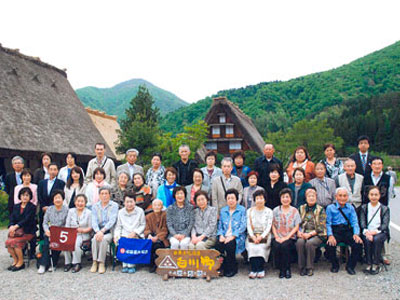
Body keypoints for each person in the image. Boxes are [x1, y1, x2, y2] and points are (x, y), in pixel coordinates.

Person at [362, 157, 393, 265]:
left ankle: (383, 255)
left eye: (379, 164)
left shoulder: (387, 177)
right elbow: (363, 192)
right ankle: (368, 255)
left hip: (382, 206)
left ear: (382, 165)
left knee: (382, 229)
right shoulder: (366, 177)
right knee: (368, 229)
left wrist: (384, 208)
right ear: (371, 166)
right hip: (368, 206)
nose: (377, 166)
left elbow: (390, 193)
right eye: (374, 164)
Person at [325, 187, 363, 275]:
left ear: (347, 197)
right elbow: (328, 223)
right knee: (330, 245)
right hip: (335, 230)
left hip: (346, 230)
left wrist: (356, 234)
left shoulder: (350, 208)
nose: (342, 198)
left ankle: (350, 266)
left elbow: (354, 222)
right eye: (340, 195)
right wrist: (330, 235)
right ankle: (335, 265)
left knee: (358, 244)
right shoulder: (330, 208)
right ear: (336, 197)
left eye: (344, 196)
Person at [215, 189, 247, 277]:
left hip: (237, 236)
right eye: (228, 198)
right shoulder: (223, 210)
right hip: (225, 235)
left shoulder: (242, 210)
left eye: (233, 198)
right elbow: (220, 225)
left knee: (230, 245)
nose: (231, 200)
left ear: (237, 199)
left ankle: (232, 267)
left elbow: (243, 226)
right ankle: (221, 266)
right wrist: (221, 235)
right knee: (218, 244)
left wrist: (233, 236)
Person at [296, 187, 327, 276]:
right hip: (303, 232)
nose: (311, 198)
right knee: (300, 242)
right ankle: (301, 267)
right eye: (309, 196)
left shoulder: (320, 209)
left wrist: (310, 234)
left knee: (310, 243)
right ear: (306, 198)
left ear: (316, 197)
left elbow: (321, 226)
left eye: (313, 196)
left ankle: (309, 267)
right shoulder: (301, 208)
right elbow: (297, 223)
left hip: (317, 233)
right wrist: (299, 232)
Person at [360, 186, 390, 275]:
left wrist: (374, 232)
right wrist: (367, 232)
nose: (374, 197)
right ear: (368, 196)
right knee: (367, 239)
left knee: (376, 239)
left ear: (380, 196)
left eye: (376, 195)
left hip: (380, 232)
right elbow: (362, 222)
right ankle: (369, 263)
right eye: (371, 194)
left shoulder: (384, 208)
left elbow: (385, 224)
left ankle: (376, 263)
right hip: (367, 231)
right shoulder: (364, 207)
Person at [272, 188, 301, 279]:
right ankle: (281, 269)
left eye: (287, 197)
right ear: (280, 199)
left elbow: (297, 226)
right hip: (278, 236)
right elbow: (272, 225)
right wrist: (276, 236)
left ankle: (287, 269)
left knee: (285, 246)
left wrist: (287, 237)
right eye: (283, 197)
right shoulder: (276, 210)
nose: (285, 199)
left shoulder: (294, 211)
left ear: (290, 199)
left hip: (290, 236)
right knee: (277, 245)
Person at [37, 190, 69, 274]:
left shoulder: (66, 210)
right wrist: (47, 231)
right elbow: (45, 222)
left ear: (63, 199)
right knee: (46, 244)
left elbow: (67, 224)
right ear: (53, 200)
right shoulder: (49, 209)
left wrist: (60, 232)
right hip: (50, 232)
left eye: (59, 198)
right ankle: (43, 265)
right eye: (56, 198)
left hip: (61, 233)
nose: (57, 200)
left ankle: (53, 264)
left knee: (55, 244)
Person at [114, 191, 146, 273]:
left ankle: (131, 264)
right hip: (124, 234)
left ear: (135, 202)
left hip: (136, 234)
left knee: (132, 241)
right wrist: (116, 236)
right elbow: (118, 226)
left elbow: (142, 225)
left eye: (131, 202)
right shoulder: (120, 212)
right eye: (127, 202)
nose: (129, 204)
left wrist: (135, 232)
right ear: (124, 202)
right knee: (123, 241)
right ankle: (125, 264)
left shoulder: (140, 211)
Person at [6, 187, 36, 272]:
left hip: (28, 231)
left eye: (27, 195)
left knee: (15, 242)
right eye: (23, 195)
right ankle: (16, 260)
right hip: (17, 231)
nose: (25, 197)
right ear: (20, 196)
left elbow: (27, 220)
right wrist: (11, 227)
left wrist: (16, 226)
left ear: (30, 197)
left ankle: (21, 262)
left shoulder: (32, 207)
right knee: (8, 243)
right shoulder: (16, 206)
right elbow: (12, 218)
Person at [90, 187, 119, 274]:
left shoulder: (114, 205)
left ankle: (101, 262)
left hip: (109, 231)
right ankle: (95, 262)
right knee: (94, 239)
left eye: (106, 193)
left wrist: (102, 231)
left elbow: (112, 221)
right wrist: (98, 231)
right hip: (98, 231)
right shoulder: (95, 206)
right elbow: (93, 221)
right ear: (99, 195)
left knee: (103, 239)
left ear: (109, 195)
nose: (104, 196)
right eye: (102, 194)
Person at [246, 190, 273, 279]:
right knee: (252, 247)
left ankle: (261, 269)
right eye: (257, 198)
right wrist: (253, 236)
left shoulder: (269, 211)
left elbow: (269, 226)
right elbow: (248, 225)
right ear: (254, 200)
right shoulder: (249, 211)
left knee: (261, 247)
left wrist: (261, 236)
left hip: (265, 235)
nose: (259, 200)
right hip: (252, 235)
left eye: (261, 198)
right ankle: (253, 269)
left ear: (265, 200)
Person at [64, 194, 92, 273]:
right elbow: (67, 224)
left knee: (76, 243)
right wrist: (69, 233)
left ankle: (76, 263)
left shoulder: (89, 213)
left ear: (85, 203)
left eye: (82, 201)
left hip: (83, 234)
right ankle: (67, 263)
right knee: (66, 242)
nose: (80, 203)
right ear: (75, 202)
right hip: (71, 233)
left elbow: (90, 227)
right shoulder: (71, 211)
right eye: (78, 201)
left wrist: (82, 230)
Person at [37, 163, 65, 239]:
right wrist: (43, 206)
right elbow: (39, 195)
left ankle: (55, 246)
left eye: (55, 169)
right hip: (43, 209)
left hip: (55, 208)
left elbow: (60, 196)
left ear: (57, 171)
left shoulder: (61, 183)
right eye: (51, 169)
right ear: (48, 171)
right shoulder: (42, 183)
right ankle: (43, 247)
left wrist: (50, 207)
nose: (53, 171)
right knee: (43, 227)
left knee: (55, 228)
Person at [144, 199, 169, 273]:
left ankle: (158, 264)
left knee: (158, 245)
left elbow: (165, 229)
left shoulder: (165, 215)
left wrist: (157, 236)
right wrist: (149, 235)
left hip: (162, 237)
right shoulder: (148, 216)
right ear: (152, 206)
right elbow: (146, 228)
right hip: (152, 236)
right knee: (151, 245)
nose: (157, 207)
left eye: (159, 205)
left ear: (162, 207)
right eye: (155, 205)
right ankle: (152, 265)